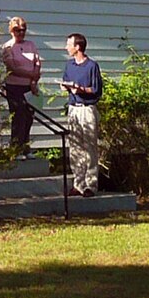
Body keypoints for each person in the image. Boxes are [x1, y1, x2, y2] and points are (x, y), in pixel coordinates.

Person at [61, 32, 102, 198]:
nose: (66, 47)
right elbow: (65, 82)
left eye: (69, 44)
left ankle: (90, 185)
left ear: (77, 47)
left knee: (89, 147)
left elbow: (96, 90)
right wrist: (66, 87)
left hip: (87, 108)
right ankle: (78, 184)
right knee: (75, 147)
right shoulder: (69, 65)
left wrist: (81, 89)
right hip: (73, 108)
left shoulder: (91, 66)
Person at [0, 15, 41, 153]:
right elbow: (12, 68)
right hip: (14, 87)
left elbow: (37, 62)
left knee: (29, 117)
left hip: (30, 86)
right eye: (18, 30)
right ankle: (16, 148)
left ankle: (26, 146)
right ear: (11, 31)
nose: (21, 33)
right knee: (18, 117)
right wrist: (31, 75)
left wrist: (34, 81)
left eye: (23, 30)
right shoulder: (8, 47)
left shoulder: (31, 45)